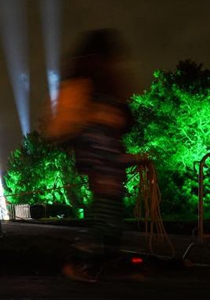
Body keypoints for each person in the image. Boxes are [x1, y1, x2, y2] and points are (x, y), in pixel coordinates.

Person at [45, 29, 146, 282]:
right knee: (108, 219)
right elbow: (82, 129)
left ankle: (100, 265)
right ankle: (78, 261)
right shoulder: (90, 88)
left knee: (112, 218)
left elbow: (116, 128)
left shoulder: (101, 89)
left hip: (106, 160)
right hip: (102, 161)